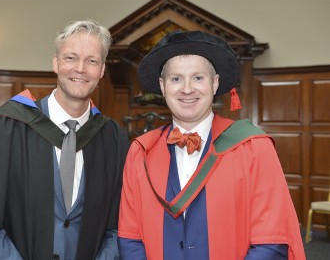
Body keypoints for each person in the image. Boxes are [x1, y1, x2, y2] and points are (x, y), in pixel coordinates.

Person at [0, 19, 129, 260]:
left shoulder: (113, 138)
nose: (80, 69)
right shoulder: (9, 126)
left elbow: (119, 226)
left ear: (102, 69)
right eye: (71, 58)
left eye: (92, 61)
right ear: (55, 62)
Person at [118, 30, 306, 260]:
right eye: (176, 78)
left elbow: (271, 241)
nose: (187, 89)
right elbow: (130, 237)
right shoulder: (141, 152)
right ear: (163, 85)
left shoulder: (254, 147)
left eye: (198, 77)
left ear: (215, 83)